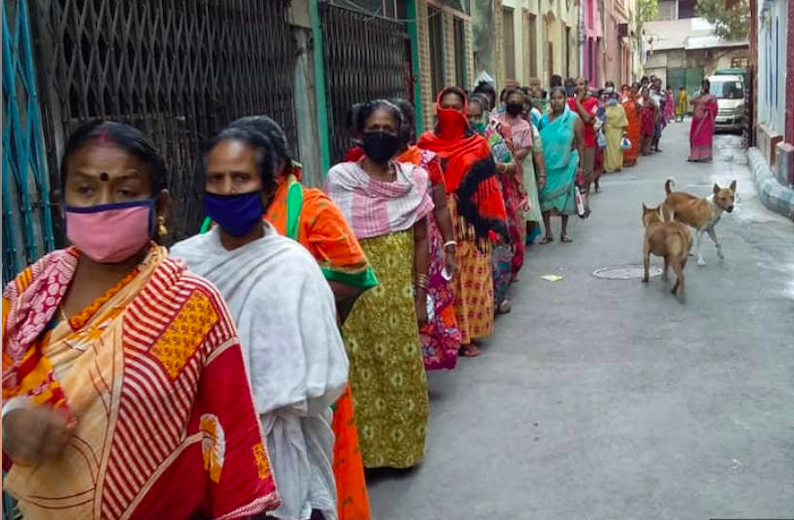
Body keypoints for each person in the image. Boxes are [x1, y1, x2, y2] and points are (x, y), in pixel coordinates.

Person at [2, 121, 280, 519]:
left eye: (125, 191)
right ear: (63, 204)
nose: (103, 203)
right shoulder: (30, 293)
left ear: (160, 206)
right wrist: (9, 421)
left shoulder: (191, 304)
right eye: (86, 189)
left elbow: (230, 435)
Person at [172, 125, 348, 520]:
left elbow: (327, 377)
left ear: (269, 188)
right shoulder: (183, 263)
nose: (228, 189)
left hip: (280, 448)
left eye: (241, 178)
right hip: (205, 444)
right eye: (217, 179)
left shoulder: (295, 266)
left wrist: (264, 401)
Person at [227, 116, 375, 520]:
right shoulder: (224, 216)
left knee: (319, 476)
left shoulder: (310, 206)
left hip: (305, 371)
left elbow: (355, 273)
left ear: (276, 166)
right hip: (245, 375)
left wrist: (300, 315)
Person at [324, 100, 433, 468]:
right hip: (355, 300)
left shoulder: (414, 181)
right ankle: (363, 459)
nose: (381, 136)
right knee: (359, 373)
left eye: (389, 129)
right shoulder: (340, 179)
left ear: (401, 135)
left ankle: (403, 454)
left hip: (399, 299)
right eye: (374, 128)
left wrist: (421, 297)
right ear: (359, 132)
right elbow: (330, 246)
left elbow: (421, 240)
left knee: (403, 372)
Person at [418, 86, 508, 357]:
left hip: (471, 225)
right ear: (437, 108)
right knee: (445, 281)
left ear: (465, 109)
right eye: (446, 106)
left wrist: (493, 225)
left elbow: (490, 187)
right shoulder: (425, 143)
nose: (451, 112)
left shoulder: (478, 144)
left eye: (457, 107)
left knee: (471, 278)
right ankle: (446, 337)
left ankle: (468, 337)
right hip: (437, 220)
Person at [391, 98, 462, 371]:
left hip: (424, 245)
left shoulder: (426, 160)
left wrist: (450, 247)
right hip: (386, 252)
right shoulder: (364, 166)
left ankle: (418, 367)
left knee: (424, 305)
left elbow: (441, 207)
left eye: (399, 124)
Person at [469, 93, 517, 315]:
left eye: (477, 116)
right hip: (464, 207)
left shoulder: (491, 137)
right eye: (468, 116)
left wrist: (493, 166)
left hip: (492, 200)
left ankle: (498, 296)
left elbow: (511, 165)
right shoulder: (451, 141)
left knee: (498, 247)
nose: (472, 121)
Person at [495, 88, 536, 279]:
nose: (514, 103)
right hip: (495, 177)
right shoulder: (495, 121)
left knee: (516, 219)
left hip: (515, 175)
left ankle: (515, 262)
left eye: (518, 101)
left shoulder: (524, 126)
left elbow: (526, 149)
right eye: (511, 99)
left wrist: (506, 160)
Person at [538, 87, 584, 244]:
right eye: (553, 98)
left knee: (566, 198)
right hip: (547, 165)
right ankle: (548, 232)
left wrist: (581, 166)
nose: (556, 101)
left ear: (565, 99)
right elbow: (539, 143)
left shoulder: (574, 119)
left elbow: (580, 143)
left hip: (567, 164)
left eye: (559, 98)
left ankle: (564, 232)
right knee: (544, 198)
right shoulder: (543, 120)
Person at [568, 77, 599, 201]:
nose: (579, 87)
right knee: (574, 171)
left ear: (586, 86)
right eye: (577, 84)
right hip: (573, 142)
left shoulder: (594, 102)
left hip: (588, 141)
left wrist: (578, 103)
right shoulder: (569, 102)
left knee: (586, 171)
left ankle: (585, 197)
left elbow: (587, 119)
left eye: (581, 84)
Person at [688, 79, 719, 162]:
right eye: (703, 85)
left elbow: (715, 109)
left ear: (709, 87)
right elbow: (691, 102)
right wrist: (700, 95)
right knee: (695, 137)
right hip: (696, 120)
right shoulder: (697, 95)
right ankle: (695, 156)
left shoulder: (712, 97)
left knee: (704, 138)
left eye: (706, 85)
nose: (705, 87)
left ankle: (705, 156)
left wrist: (707, 108)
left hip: (706, 120)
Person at [603, 92, 629, 173]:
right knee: (608, 150)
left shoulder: (620, 107)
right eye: (611, 97)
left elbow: (624, 119)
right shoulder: (606, 107)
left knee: (617, 149)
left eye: (615, 98)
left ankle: (617, 165)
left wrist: (625, 131)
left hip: (618, 131)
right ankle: (608, 166)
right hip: (608, 131)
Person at [622, 83, 642, 167]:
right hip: (626, 123)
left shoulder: (640, 98)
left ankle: (632, 159)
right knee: (625, 140)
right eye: (632, 88)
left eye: (636, 88)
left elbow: (639, 107)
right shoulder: (625, 97)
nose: (634, 90)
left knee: (633, 141)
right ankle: (625, 159)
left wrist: (634, 98)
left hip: (635, 124)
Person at [640, 86, 658, 156]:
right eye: (644, 92)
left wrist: (655, 118)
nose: (645, 93)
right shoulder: (640, 100)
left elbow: (656, 108)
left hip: (649, 120)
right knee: (641, 135)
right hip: (641, 120)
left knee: (649, 135)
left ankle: (646, 150)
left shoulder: (651, 100)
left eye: (646, 92)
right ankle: (641, 149)